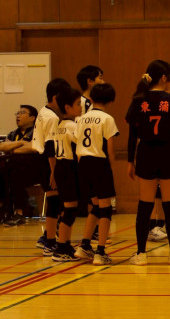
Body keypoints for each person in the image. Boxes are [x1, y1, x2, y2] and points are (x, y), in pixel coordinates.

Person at [125, 60, 170, 266]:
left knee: (144, 205)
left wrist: (130, 161)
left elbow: (132, 135)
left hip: (145, 154)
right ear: (164, 78)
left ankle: (140, 254)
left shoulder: (138, 101)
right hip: (169, 154)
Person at [73, 83, 119, 266]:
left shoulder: (81, 119)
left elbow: (78, 145)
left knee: (95, 206)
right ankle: (100, 251)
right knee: (106, 209)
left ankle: (84, 245)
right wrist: (111, 169)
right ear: (111, 101)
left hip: (83, 164)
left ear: (91, 99)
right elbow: (110, 149)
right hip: (100, 163)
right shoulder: (107, 119)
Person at [32, 78, 71, 256]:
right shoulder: (52, 118)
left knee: (56, 201)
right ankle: (49, 242)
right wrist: (54, 172)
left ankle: (48, 237)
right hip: (48, 162)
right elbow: (50, 147)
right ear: (56, 97)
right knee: (55, 201)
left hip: (41, 160)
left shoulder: (44, 111)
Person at [52, 87, 82, 262]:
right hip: (69, 168)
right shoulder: (72, 126)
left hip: (61, 167)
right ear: (68, 107)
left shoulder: (59, 126)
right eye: (78, 104)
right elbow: (80, 149)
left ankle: (65, 244)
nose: (81, 107)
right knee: (70, 210)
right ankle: (61, 247)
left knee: (68, 209)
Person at [0, 104, 38, 226]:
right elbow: (2, 146)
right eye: (17, 113)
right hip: (13, 169)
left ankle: (19, 212)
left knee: (14, 173)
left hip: (34, 170)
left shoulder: (37, 132)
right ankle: (2, 209)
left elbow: (33, 147)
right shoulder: (13, 133)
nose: (18, 116)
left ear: (32, 118)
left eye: (22, 113)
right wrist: (21, 143)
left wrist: (12, 148)